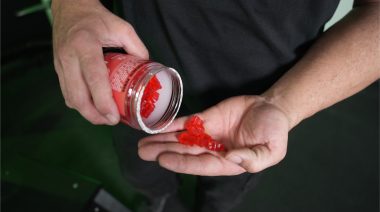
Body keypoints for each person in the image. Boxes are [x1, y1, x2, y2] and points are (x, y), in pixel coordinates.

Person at [51, 0, 379, 211]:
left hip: (251, 107)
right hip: (131, 74)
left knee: (224, 189)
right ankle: (157, 201)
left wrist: (282, 105)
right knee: (143, 168)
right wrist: (73, 5)